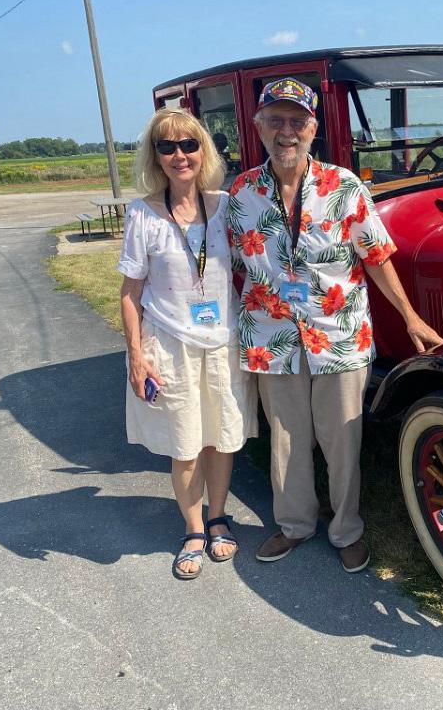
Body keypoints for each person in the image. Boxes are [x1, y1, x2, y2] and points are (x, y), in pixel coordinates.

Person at [227, 77, 443, 573]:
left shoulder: (343, 186)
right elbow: (231, 261)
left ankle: (346, 529)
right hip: (271, 338)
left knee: (342, 440)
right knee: (286, 439)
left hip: (340, 336)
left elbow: (377, 257)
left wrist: (410, 317)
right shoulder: (241, 193)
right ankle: (294, 525)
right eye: (275, 120)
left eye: (296, 121)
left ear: (313, 129)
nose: (286, 131)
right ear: (258, 127)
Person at [119, 108, 257, 580]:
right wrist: (136, 357)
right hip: (170, 344)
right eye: (167, 147)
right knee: (185, 445)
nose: (180, 155)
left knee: (221, 437)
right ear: (155, 156)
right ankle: (193, 529)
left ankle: (218, 518)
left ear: (203, 151)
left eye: (188, 145)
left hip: (222, 342)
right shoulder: (142, 214)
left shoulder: (226, 206)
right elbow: (130, 292)